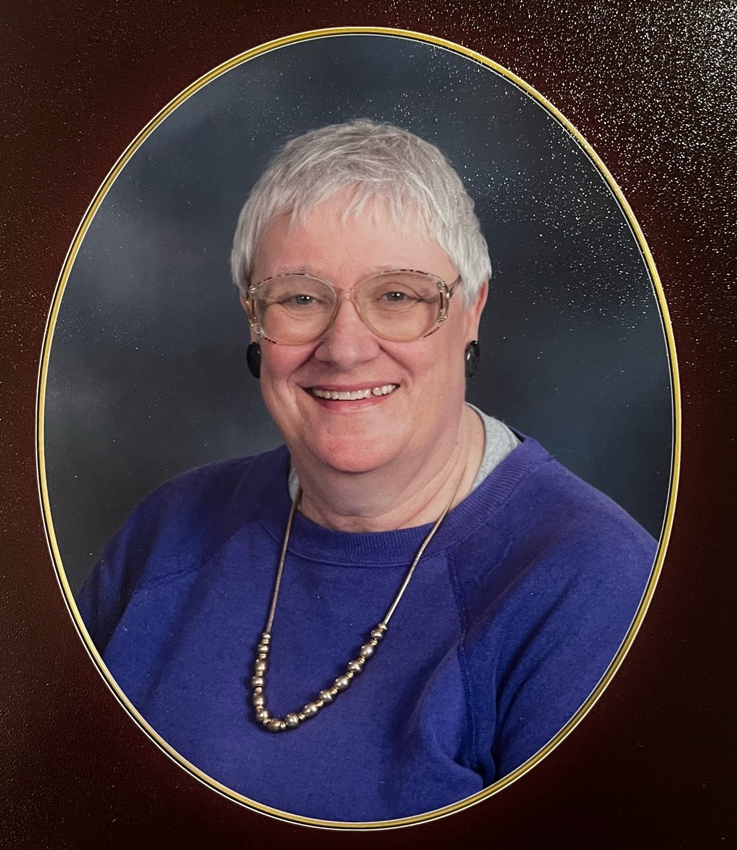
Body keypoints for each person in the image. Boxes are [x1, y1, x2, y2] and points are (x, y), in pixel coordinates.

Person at [77, 120, 655, 822]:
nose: (345, 348)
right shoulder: (164, 536)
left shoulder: (595, 587)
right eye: (299, 298)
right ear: (254, 320)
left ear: (472, 310)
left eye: (398, 297)